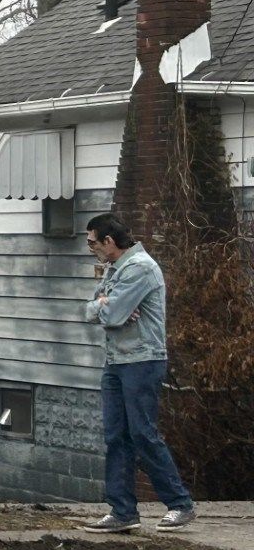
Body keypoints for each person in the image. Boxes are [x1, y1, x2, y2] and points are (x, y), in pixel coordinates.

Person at [80, 212, 196, 533]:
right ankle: (122, 512)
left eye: (93, 243)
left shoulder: (141, 268)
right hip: (117, 360)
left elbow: (112, 313)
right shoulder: (115, 269)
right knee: (116, 435)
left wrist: (108, 306)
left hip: (142, 361)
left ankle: (180, 504)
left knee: (142, 433)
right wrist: (106, 305)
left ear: (109, 241)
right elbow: (90, 310)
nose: (91, 249)